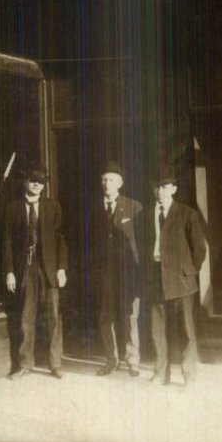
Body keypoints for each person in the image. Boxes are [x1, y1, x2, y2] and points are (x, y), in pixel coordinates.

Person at [3, 163, 68, 379]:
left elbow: (61, 239)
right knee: (26, 316)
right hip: (25, 268)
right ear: (25, 182)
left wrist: (61, 268)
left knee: (53, 316)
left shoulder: (52, 206)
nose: (37, 185)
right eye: (33, 181)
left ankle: (55, 363)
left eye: (41, 183)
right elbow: (7, 242)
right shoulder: (12, 208)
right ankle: (25, 364)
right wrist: (10, 271)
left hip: (48, 268)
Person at [147, 164, 206, 386]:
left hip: (181, 281)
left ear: (173, 189)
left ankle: (189, 375)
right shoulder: (148, 214)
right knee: (157, 330)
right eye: (157, 188)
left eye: (164, 187)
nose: (160, 192)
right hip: (156, 278)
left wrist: (188, 272)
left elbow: (199, 249)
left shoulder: (186, 214)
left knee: (185, 329)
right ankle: (160, 373)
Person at [92, 161, 143, 377]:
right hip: (104, 274)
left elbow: (143, 241)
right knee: (106, 317)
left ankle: (133, 361)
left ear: (120, 183)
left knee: (130, 317)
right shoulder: (92, 209)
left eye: (111, 179)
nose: (107, 183)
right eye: (104, 179)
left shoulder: (134, 207)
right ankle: (111, 360)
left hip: (129, 272)